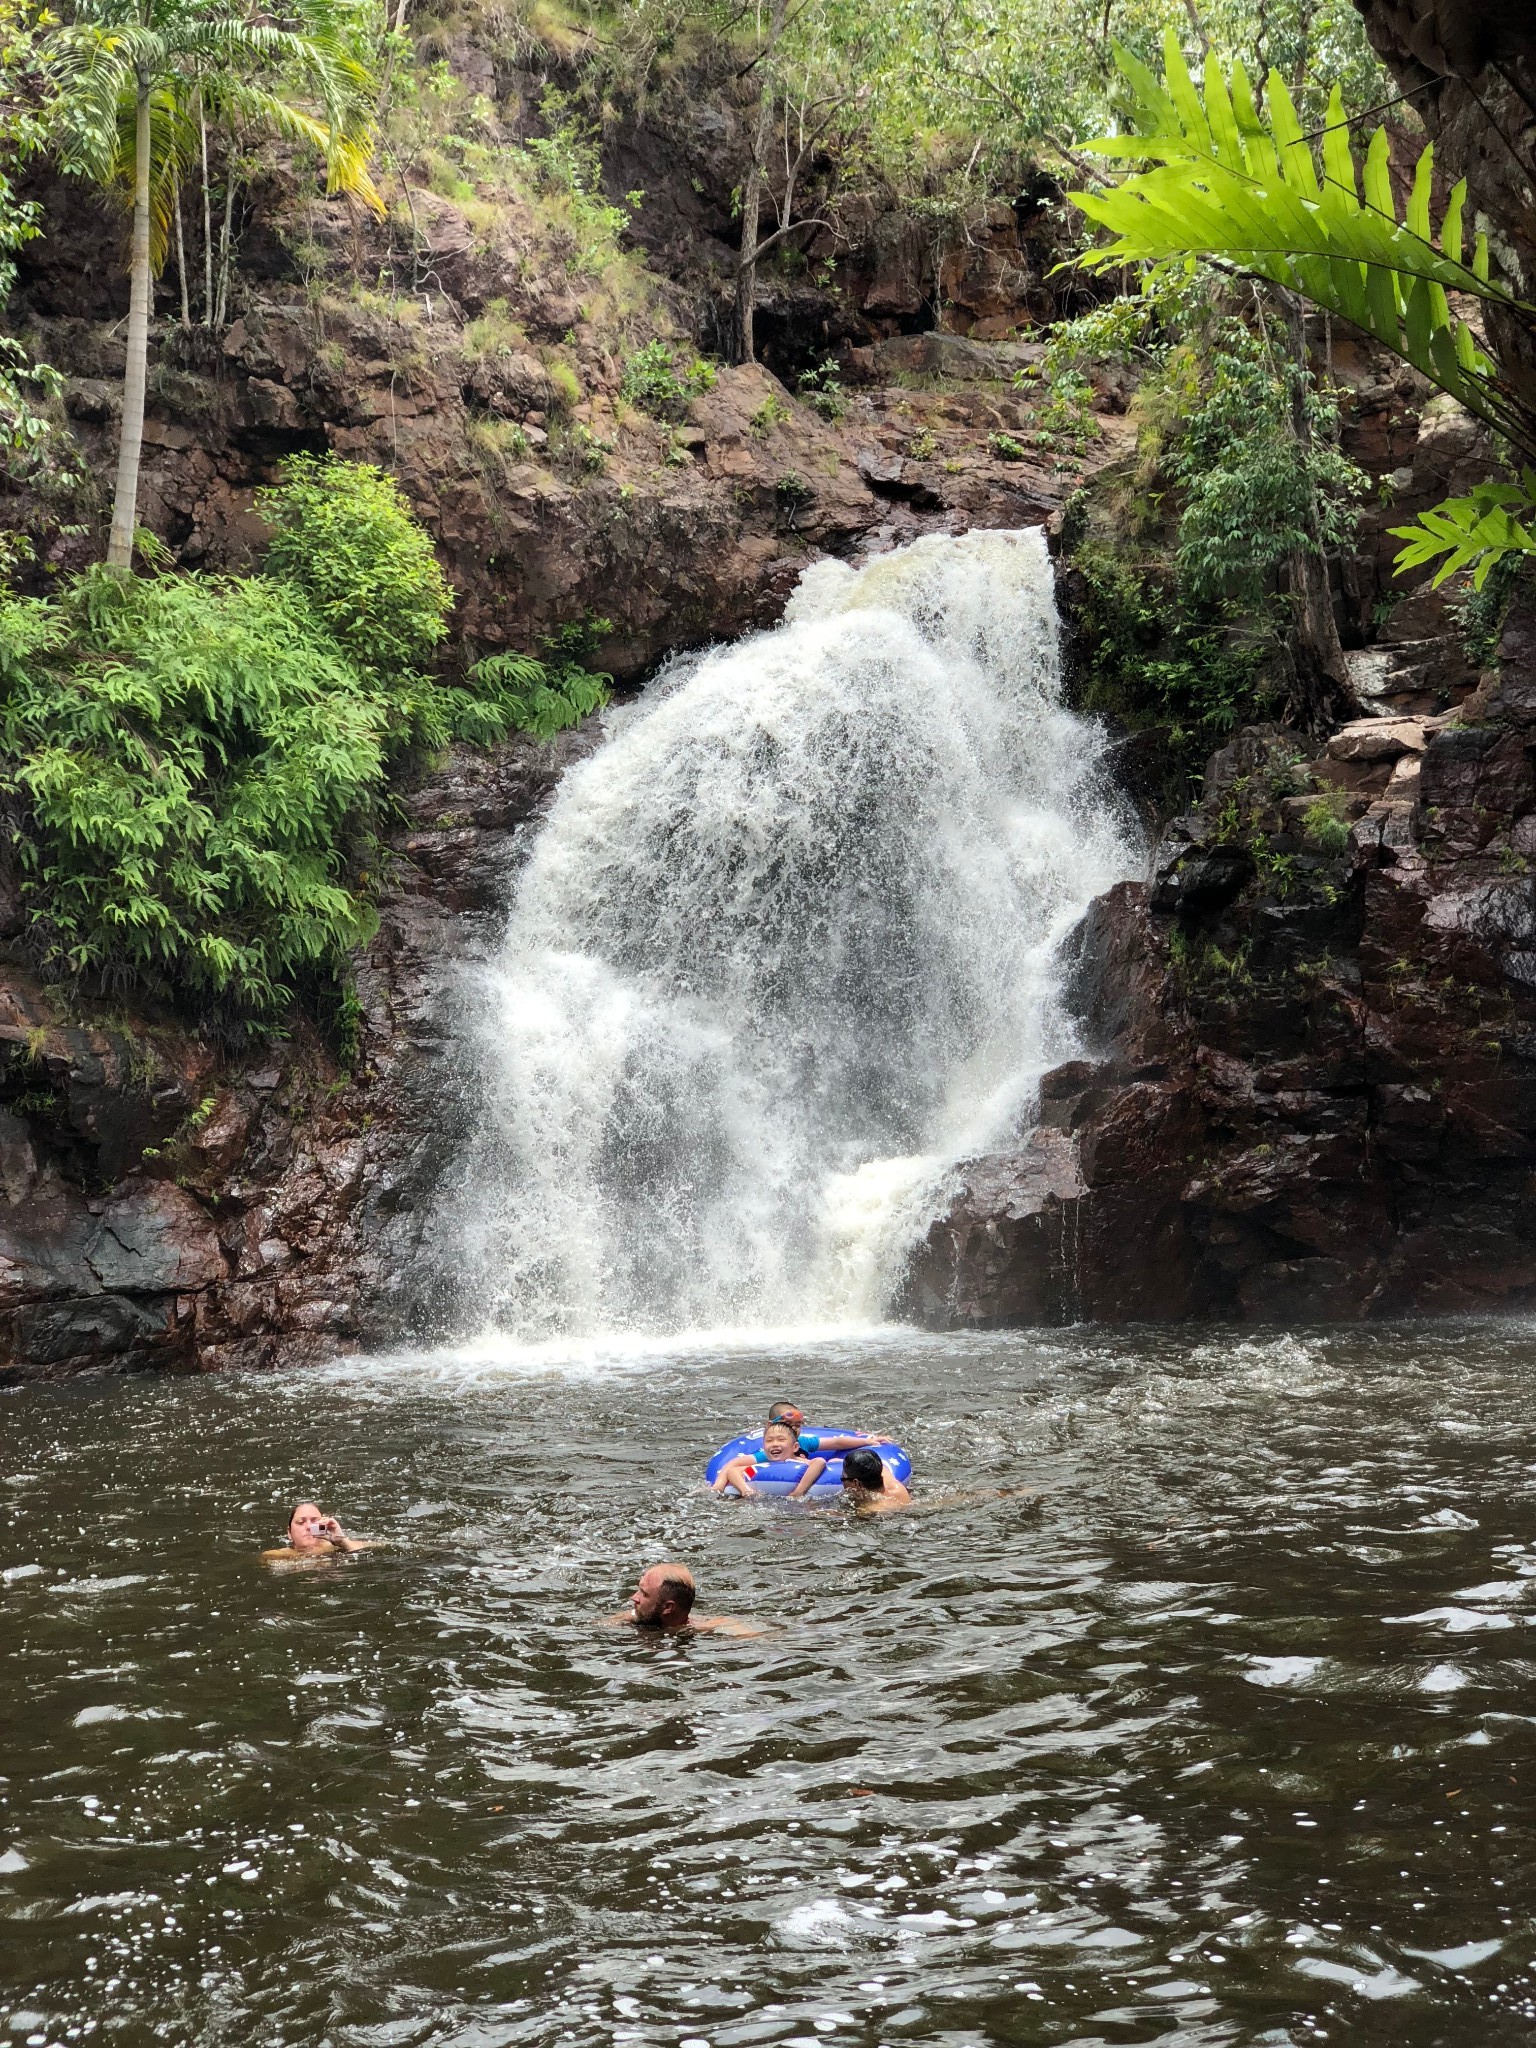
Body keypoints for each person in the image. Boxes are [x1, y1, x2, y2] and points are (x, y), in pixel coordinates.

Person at [604, 1563, 767, 1638]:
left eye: (644, 1594)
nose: (634, 1597)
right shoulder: (633, 1617)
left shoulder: (702, 1627)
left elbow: (755, 1637)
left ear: (668, 1608)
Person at [711, 1416, 828, 1499]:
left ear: (795, 1447)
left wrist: (798, 1492)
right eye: (769, 1440)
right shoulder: (761, 1466)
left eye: (781, 1440)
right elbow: (733, 1471)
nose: (774, 1444)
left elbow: (819, 1462)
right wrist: (746, 1490)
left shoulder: (799, 1462)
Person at [259, 1500, 378, 1568]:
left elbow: (381, 1546)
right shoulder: (277, 1555)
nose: (309, 1527)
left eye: (315, 1521)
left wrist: (342, 1541)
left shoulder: (337, 1547)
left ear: (325, 1525)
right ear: (289, 1533)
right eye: (301, 1522)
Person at [839, 1446, 914, 1514]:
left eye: (843, 1477)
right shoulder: (898, 1489)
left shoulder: (867, 1511)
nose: (842, 1480)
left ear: (856, 1483)